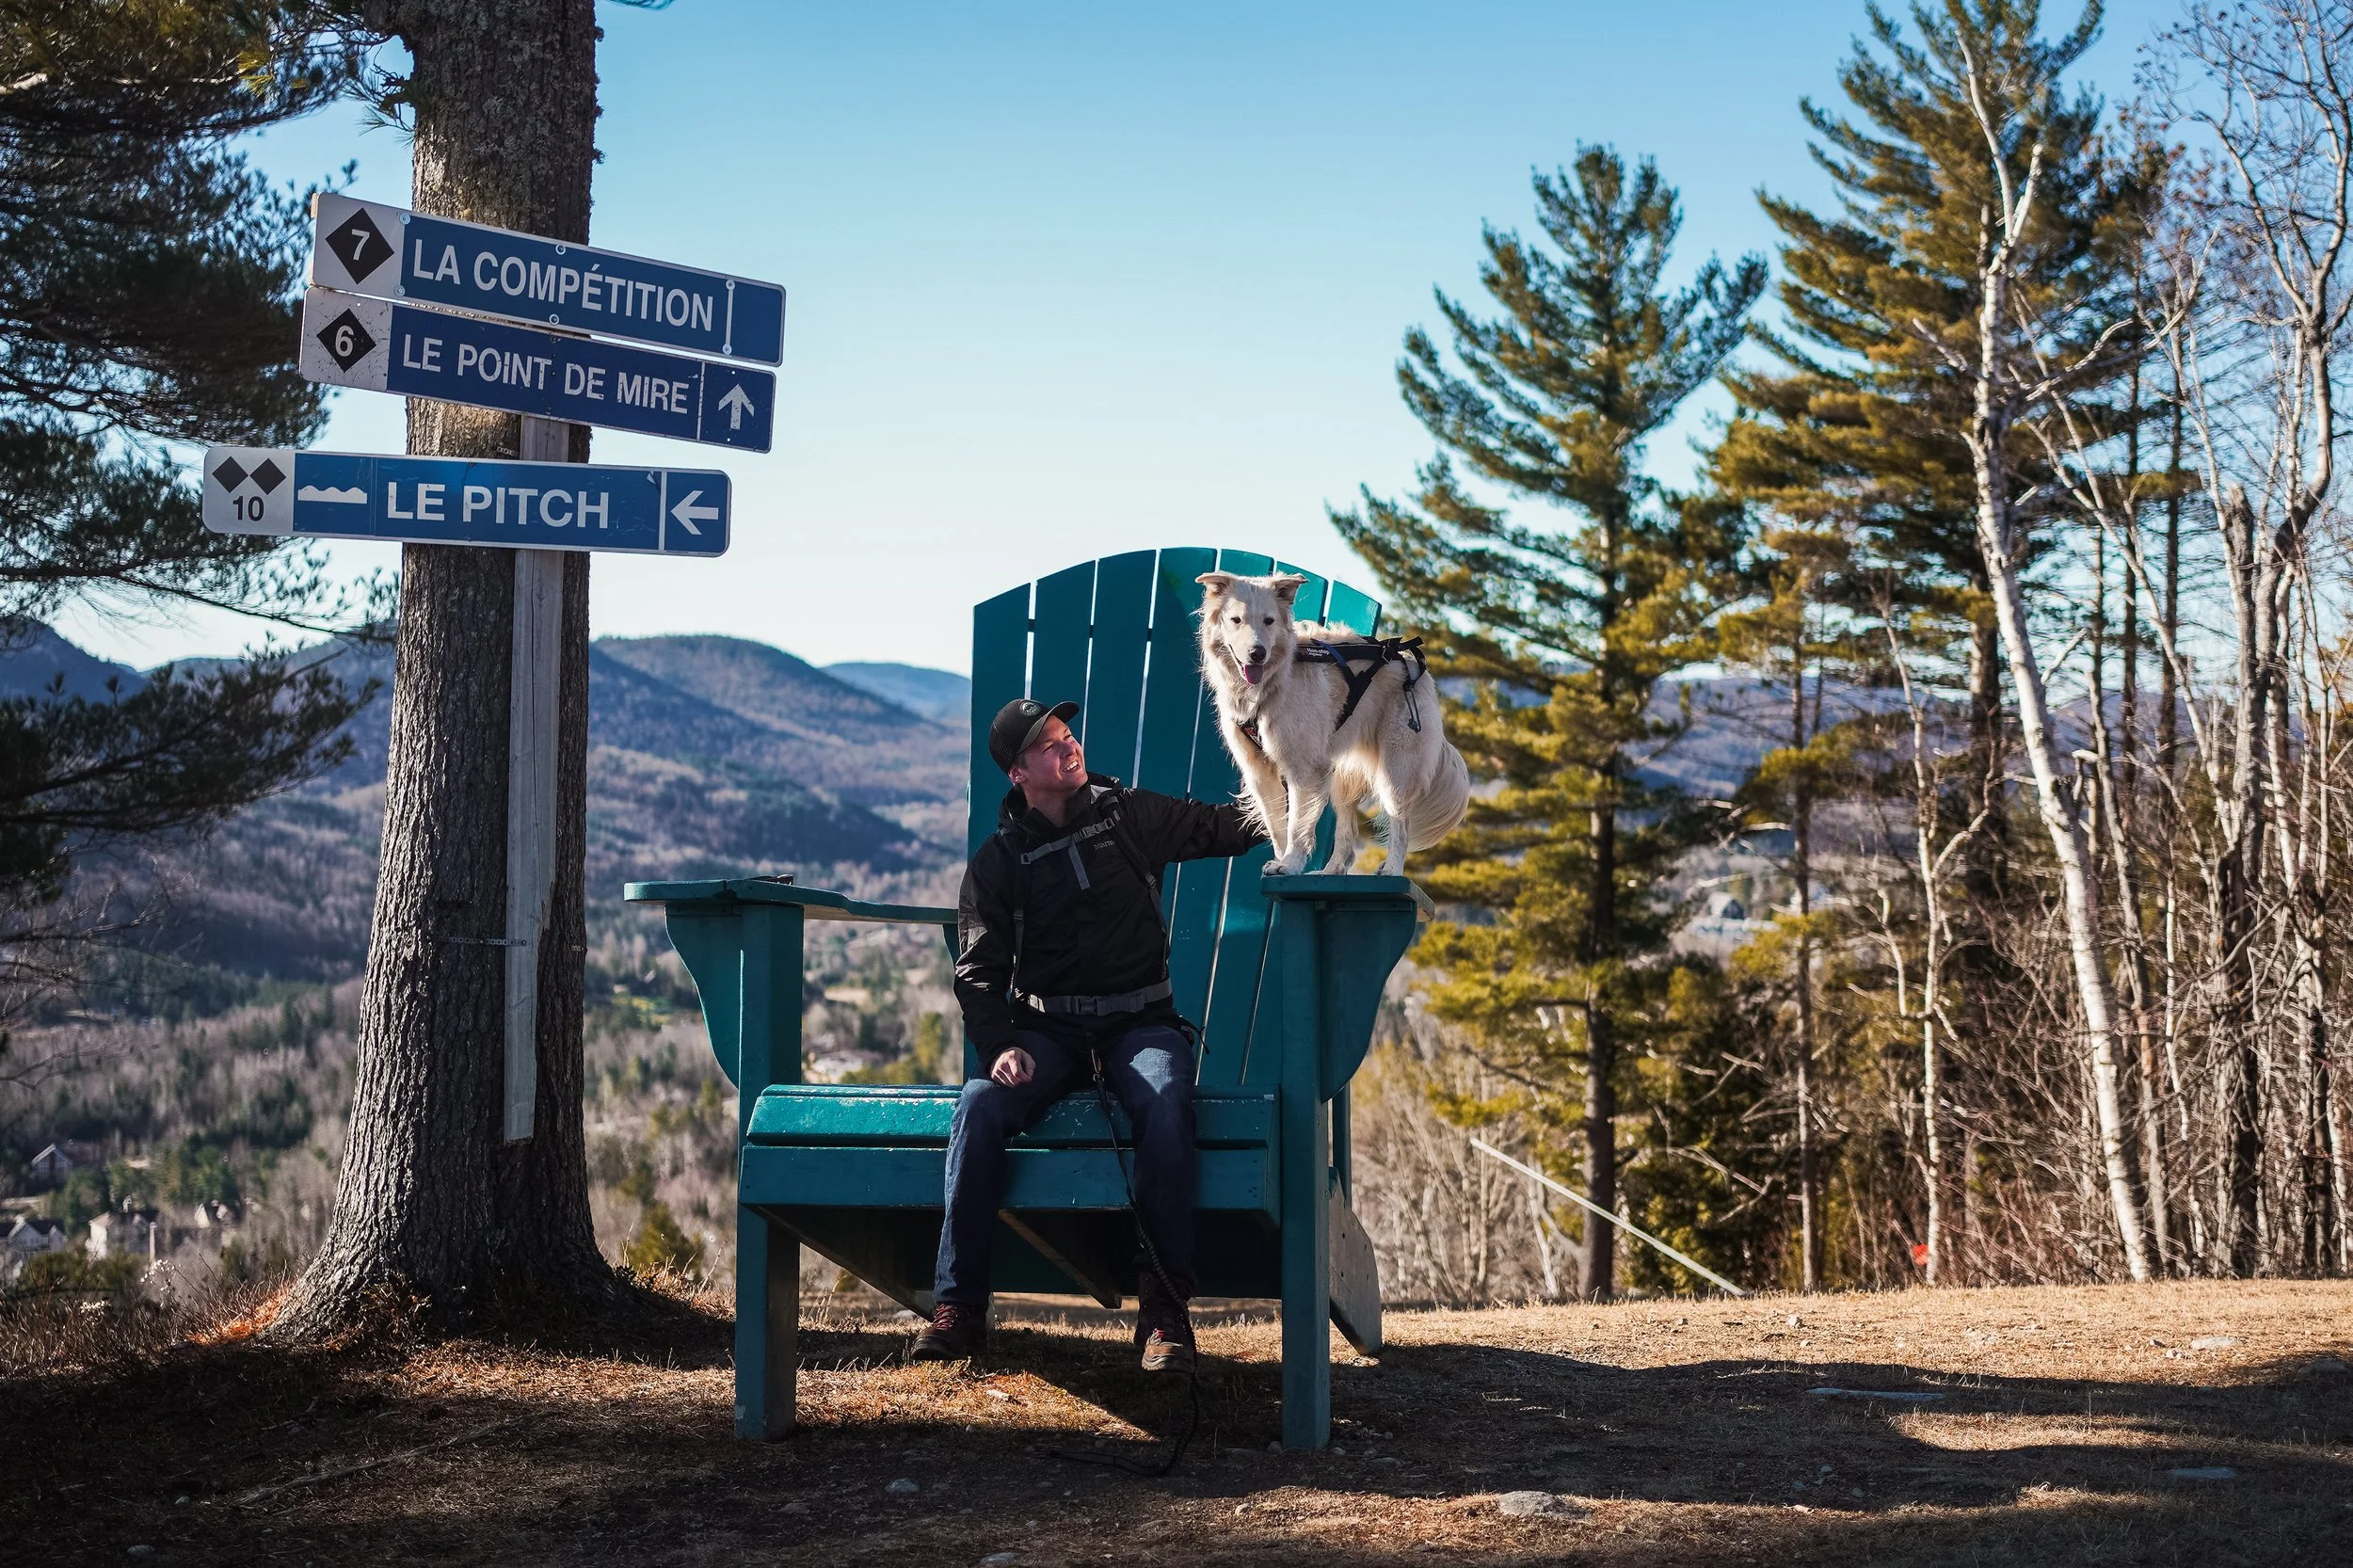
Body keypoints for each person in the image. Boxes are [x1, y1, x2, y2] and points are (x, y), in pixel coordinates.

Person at [910, 696, 1264, 1371]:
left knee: (1164, 1100)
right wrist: (1000, 1045)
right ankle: (957, 1309)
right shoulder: (1000, 861)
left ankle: (1163, 1315)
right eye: (1048, 745)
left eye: (1068, 736)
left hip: (1141, 1022)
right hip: (1050, 1030)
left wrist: (1284, 765)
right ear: (1018, 773)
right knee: (980, 1104)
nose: (1068, 749)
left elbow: (1232, 827)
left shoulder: (1130, 816)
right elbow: (978, 971)